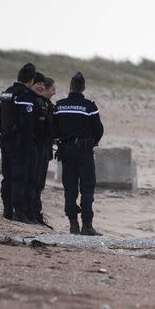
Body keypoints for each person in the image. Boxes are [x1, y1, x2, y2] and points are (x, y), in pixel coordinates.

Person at [53, 72, 104, 235]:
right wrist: (91, 141)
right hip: (84, 153)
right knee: (87, 189)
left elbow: (53, 129)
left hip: (66, 152)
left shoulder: (59, 105)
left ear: (70, 87)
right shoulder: (89, 106)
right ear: (83, 88)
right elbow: (99, 130)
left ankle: (73, 224)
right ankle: (87, 226)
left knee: (70, 189)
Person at [0, 63, 37, 223]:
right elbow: (26, 123)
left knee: (7, 176)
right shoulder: (25, 95)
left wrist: (5, 133)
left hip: (5, 138)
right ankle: (18, 212)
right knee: (19, 177)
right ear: (31, 80)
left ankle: (7, 210)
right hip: (19, 142)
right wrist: (27, 142)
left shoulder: (7, 93)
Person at [29, 73, 56, 227]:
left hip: (44, 148)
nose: (54, 92)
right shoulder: (37, 104)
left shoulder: (47, 105)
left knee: (39, 183)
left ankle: (35, 214)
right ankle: (31, 213)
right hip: (37, 148)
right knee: (34, 182)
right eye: (52, 89)